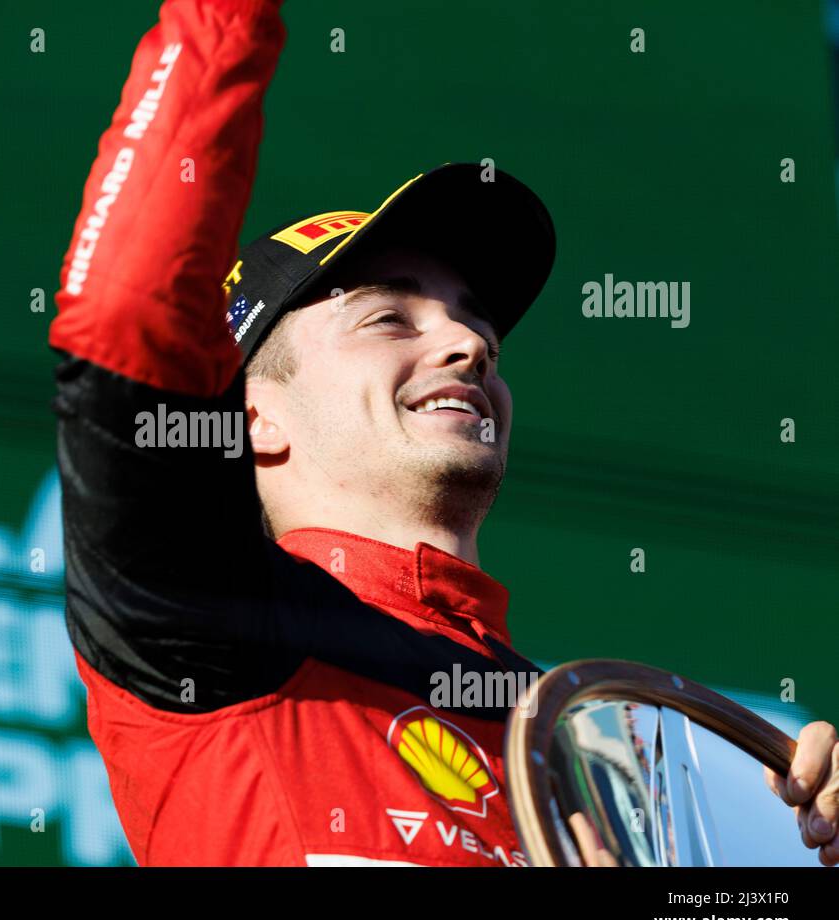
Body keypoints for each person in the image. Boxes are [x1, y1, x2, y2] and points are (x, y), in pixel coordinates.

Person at [48, 0, 839, 866]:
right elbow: (130, 311)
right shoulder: (210, 620)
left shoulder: (592, 752)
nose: (470, 346)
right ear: (250, 423)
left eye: (481, 333)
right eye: (389, 318)